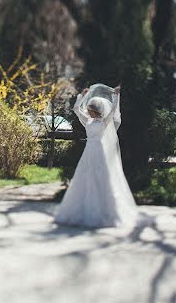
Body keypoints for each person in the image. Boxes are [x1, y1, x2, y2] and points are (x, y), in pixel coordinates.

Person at [54, 84, 138, 228]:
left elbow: (112, 112)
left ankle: (105, 210)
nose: (87, 111)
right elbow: (76, 109)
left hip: (100, 151)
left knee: (100, 176)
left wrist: (116, 96)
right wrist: (82, 95)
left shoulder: (104, 122)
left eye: (89, 109)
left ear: (95, 111)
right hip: (89, 150)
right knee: (85, 175)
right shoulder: (87, 121)